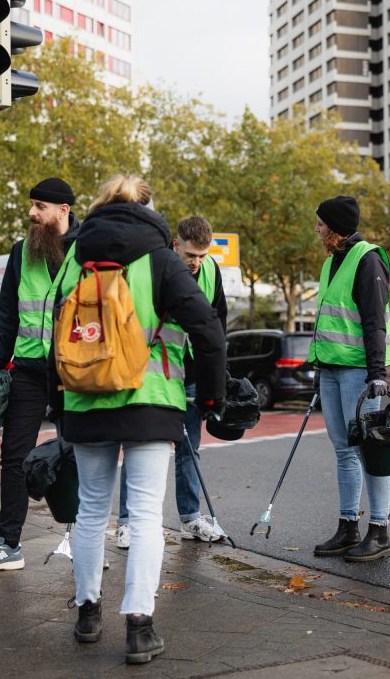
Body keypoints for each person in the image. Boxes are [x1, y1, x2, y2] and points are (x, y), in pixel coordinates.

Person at [48, 175, 226, 664]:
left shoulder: (76, 259)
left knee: (90, 510)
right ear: (149, 211)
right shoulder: (163, 260)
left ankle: (87, 611)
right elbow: (207, 328)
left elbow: (54, 335)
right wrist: (213, 396)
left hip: (85, 400)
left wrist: (57, 402)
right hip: (150, 400)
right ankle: (139, 628)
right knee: (146, 515)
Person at [0, 177, 80, 574]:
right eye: (31, 205)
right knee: (13, 457)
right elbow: (8, 315)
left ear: (63, 211)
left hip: (75, 373)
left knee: (81, 457)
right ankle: (8, 543)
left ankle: (82, 542)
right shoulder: (21, 252)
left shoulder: (87, 250)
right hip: (28, 371)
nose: (32, 213)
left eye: (40, 207)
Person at [115, 215, 228, 548]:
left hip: (191, 372)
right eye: (190, 255)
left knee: (189, 448)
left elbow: (218, 323)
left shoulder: (210, 271)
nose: (196, 263)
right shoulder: (152, 265)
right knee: (138, 446)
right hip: (156, 370)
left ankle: (190, 517)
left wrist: (218, 376)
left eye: (202, 256)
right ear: (175, 244)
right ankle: (126, 522)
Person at [308, 195, 390, 563]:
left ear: (335, 227)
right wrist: (318, 365)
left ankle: (379, 531)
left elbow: (374, 321)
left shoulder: (368, 259)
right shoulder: (331, 263)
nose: (316, 228)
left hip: (360, 372)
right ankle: (349, 527)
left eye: (320, 223)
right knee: (344, 449)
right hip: (331, 369)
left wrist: (378, 374)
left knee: (369, 449)